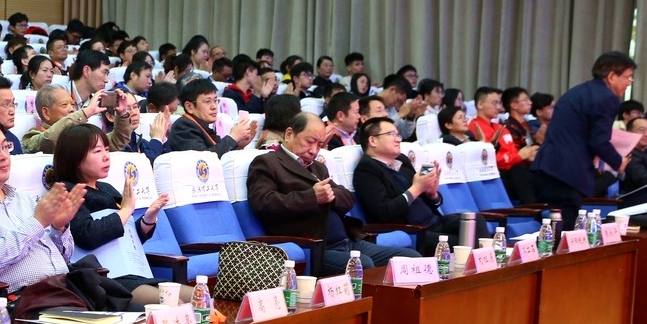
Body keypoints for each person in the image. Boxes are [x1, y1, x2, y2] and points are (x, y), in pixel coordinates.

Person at [247, 112, 417, 275]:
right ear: (289, 134)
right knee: (362, 265)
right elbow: (263, 202)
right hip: (314, 247)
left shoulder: (318, 167)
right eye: (309, 142)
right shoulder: (268, 162)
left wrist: (329, 196)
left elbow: (346, 197)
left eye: (319, 145)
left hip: (347, 241)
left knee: (411, 258)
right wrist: (312, 197)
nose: (314, 151)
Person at [0, 116, 87, 293]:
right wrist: (37, 222)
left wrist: (58, 228)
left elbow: (64, 258)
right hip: (23, 299)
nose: (4, 156)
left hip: (66, 288)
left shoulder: (23, 199)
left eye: (5, 146)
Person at [54, 123, 179, 304]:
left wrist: (147, 220)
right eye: (97, 151)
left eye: (107, 149)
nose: (106, 156)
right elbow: (87, 235)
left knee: (197, 298)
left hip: (132, 271)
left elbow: (125, 236)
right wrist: (126, 210)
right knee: (174, 304)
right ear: (75, 159)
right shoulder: (69, 192)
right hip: (105, 279)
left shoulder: (106, 188)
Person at [532, 51, 636, 229]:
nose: (630, 82)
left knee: (554, 228)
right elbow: (599, 141)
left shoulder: (578, 91)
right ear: (612, 76)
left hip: (550, 167)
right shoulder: (606, 98)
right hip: (567, 173)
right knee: (564, 230)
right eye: (628, 76)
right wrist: (619, 162)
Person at [352, 117, 457, 253]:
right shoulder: (366, 170)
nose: (398, 139)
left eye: (398, 135)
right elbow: (384, 212)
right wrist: (417, 188)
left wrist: (432, 194)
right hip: (413, 230)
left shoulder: (402, 160)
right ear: (373, 141)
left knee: (473, 222)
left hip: (434, 221)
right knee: (462, 241)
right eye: (391, 134)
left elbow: (427, 199)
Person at [167, 78, 252, 155]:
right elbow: (203, 160)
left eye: (215, 100)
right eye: (207, 101)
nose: (214, 106)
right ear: (189, 107)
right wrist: (233, 137)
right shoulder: (183, 126)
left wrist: (238, 145)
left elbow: (219, 154)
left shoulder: (203, 126)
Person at [22, 84, 108, 153]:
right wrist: (86, 112)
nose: (72, 109)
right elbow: (50, 139)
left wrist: (118, 115)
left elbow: (110, 143)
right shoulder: (32, 138)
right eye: (64, 105)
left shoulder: (80, 134)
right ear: (46, 113)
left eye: (73, 104)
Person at [493, 86, 539, 204]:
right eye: (525, 100)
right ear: (514, 105)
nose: (530, 103)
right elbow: (518, 154)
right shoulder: (507, 127)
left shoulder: (526, 126)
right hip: (516, 170)